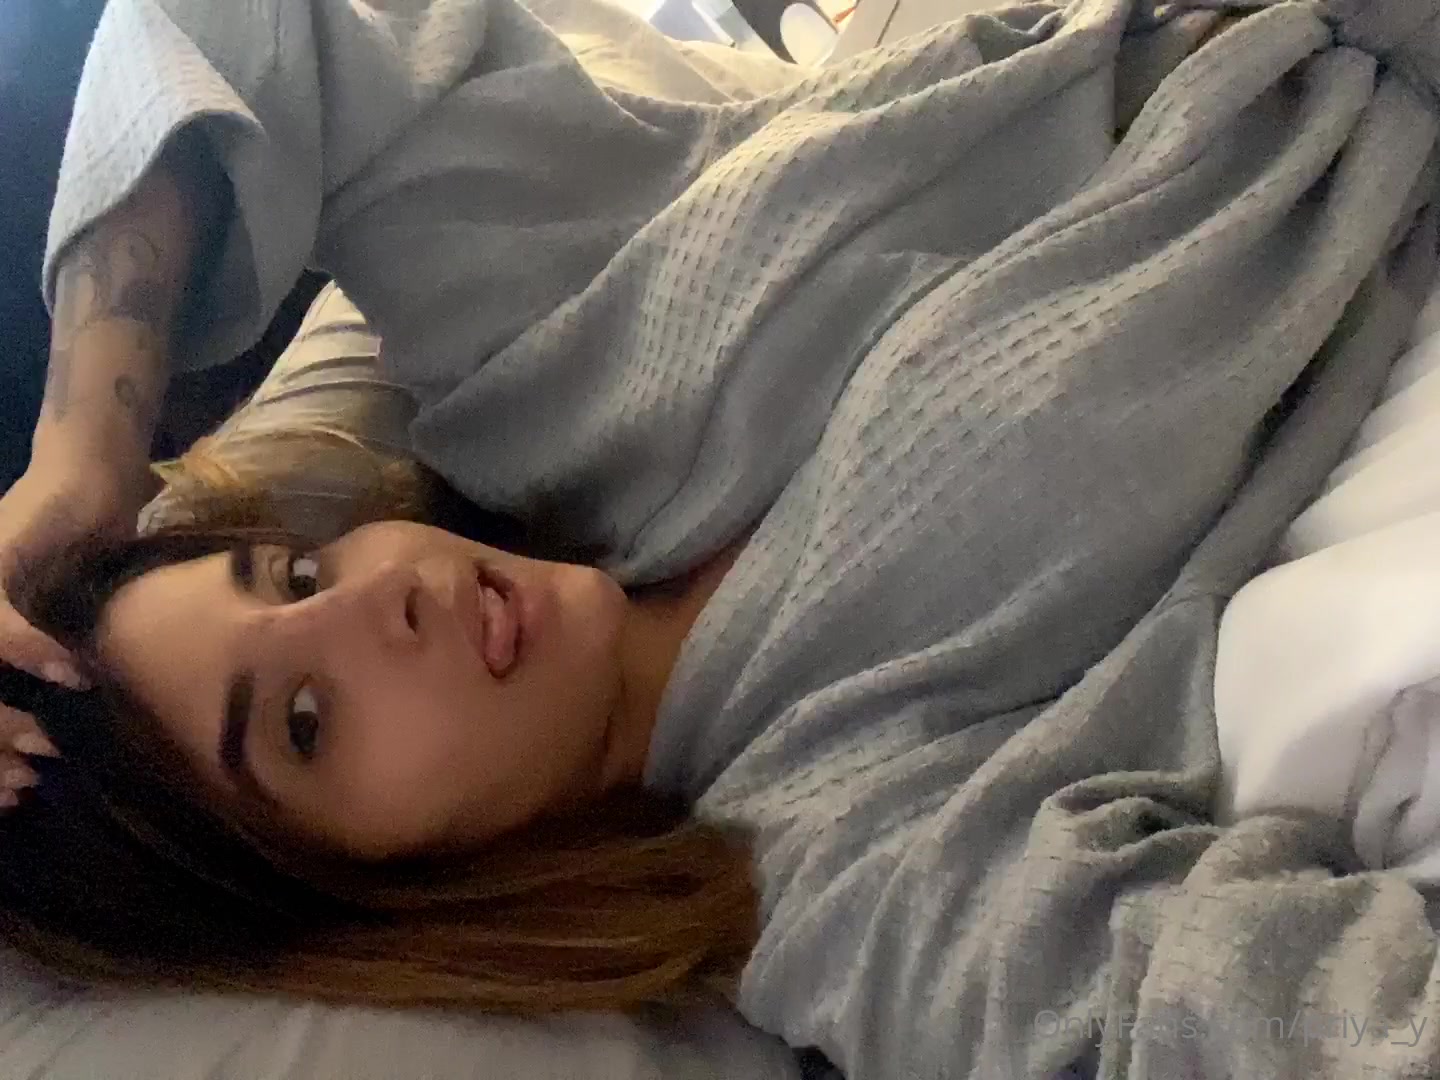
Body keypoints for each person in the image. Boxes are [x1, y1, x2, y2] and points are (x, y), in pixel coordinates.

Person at [4, 1, 1440, 1078]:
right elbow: (1255, 1022)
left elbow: (271, 23)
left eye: (296, 573)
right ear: (369, 901)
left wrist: (84, 451)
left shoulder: (531, 374)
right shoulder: (844, 863)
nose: (381, 603)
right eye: (307, 724)